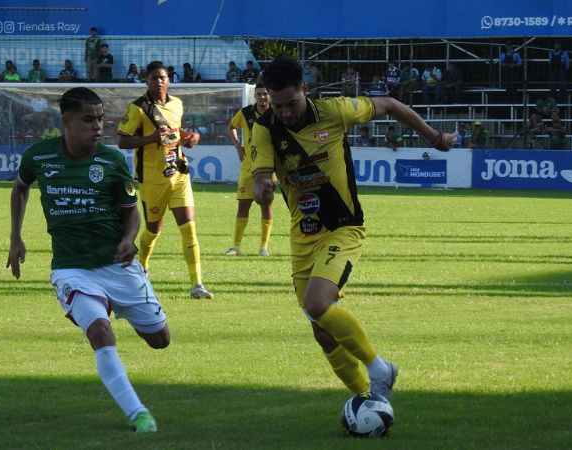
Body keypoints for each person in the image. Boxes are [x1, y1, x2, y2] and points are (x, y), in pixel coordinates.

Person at [250, 56, 454, 408]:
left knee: (317, 305)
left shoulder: (336, 111)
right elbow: (260, 177)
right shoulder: (265, 127)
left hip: (343, 228)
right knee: (322, 334)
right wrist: (262, 189)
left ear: (306, 90)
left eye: (291, 104)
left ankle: (380, 369)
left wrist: (434, 138)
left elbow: (390, 104)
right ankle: (368, 398)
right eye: (278, 105)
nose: (284, 112)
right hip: (302, 237)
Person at [7, 86, 168, 434]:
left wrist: (127, 239)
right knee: (99, 331)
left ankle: (112, 301)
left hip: (117, 264)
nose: (98, 126)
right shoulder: (39, 157)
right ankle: (138, 414)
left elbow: (131, 212)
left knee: (160, 340)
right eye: (89, 119)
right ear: (66, 122)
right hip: (72, 267)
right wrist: (15, 237)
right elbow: (20, 187)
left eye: (100, 119)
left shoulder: (111, 162)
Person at [116, 61, 213, 299]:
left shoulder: (177, 104)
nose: (158, 81)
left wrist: (191, 136)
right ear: (147, 81)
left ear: (169, 80)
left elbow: (176, 130)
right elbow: (122, 141)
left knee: (189, 228)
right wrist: (150, 139)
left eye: (162, 77)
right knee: (152, 230)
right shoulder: (137, 109)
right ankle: (142, 267)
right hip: (152, 179)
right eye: (154, 78)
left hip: (179, 174)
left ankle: (197, 284)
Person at [225, 83, 274, 257]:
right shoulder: (245, 113)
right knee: (243, 205)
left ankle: (263, 247)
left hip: (267, 166)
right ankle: (236, 246)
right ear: (255, 96)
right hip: (248, 165)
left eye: (265, 94)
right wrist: (238, 146)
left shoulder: (276, 113)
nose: (262, 97)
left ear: (270, 95)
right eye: (259, 94)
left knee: (266, 205)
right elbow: (231, 127)